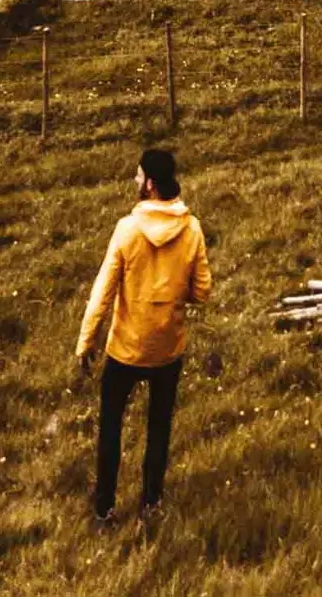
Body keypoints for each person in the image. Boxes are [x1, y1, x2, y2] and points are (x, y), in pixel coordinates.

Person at [75, 146, 212, 524]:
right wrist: (170, 297)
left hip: (126, 350)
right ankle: (151, 502)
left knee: (111, 427)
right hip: (168, 347)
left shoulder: (127, 230)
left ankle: (104, 507)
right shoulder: (192, 229)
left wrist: (86, 341)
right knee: (159, 426)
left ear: (150, 184)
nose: (135, 181)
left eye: (138, 176)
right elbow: (202, 290)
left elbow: (103, 291)